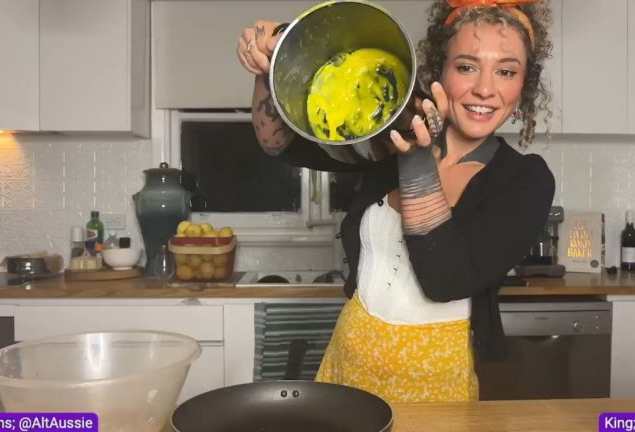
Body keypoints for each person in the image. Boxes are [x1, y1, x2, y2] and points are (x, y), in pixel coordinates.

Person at [236, 0, 556, 403]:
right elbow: (278, 144)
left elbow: (446, 282)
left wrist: (417, 159)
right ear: (440, 71)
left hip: (437, 382)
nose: (485, 89)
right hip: (349, 364)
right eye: (466, 67)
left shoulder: (524, 179)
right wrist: (271, 65)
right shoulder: (387, 134)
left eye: (506, 71)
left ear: (523, 85)